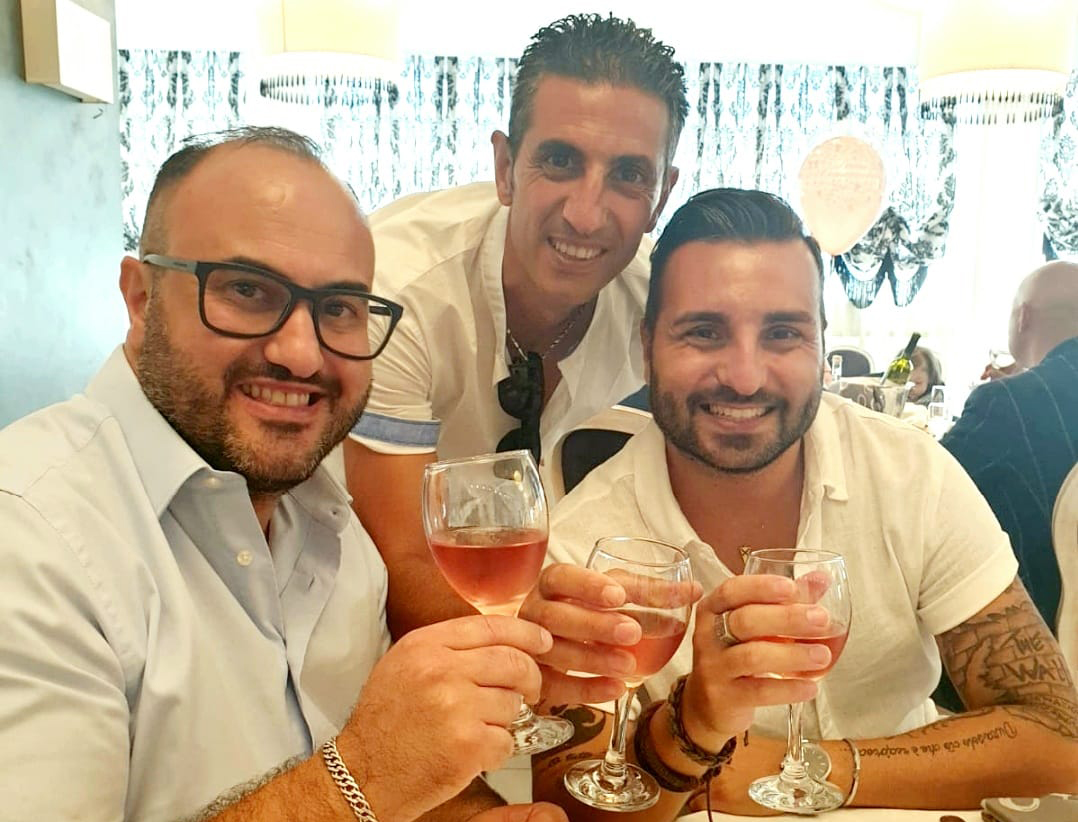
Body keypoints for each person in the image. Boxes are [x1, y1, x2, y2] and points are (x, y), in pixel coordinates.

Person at [0, 127, 570, 822]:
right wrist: (365, 775)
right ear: (142, 298)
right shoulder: (29, 538)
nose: (302, 354)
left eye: (339, 309)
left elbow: (393, 761)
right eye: (247, 290)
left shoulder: (331, 524)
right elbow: (368, 771)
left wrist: (473, 815)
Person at [532, 189, 1078, 817]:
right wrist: (694, 724)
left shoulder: (910, 473)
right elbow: (573, 803)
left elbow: (1057, 741)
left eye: (783, 334)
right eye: (703, 332)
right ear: (646, 346)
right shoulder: (583, 543)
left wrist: (800, 771)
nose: (744, 377)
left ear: (821, 347)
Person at [342, 13, 687, 638]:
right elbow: (401, 570)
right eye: (559, 161)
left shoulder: (661, 311)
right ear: (505, 168)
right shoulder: (396, 294)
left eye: (629, 175)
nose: (586, 216)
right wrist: (558, 640)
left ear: (661, 195)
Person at [943, 261, 1078, 633]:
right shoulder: (1020, 398)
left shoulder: (1005, 404)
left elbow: (929, 487)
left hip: (1040, 635)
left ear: (1023, 317)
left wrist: (1007, 393)